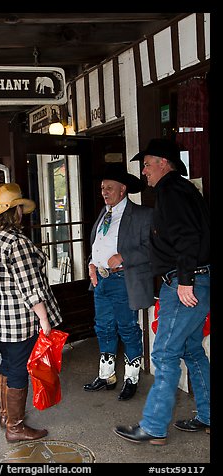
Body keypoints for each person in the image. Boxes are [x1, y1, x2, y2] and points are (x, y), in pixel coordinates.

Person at [114, 138, 210, 445]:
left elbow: (187, 237)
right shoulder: (182, 190)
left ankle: (154, 427)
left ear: (163, 163)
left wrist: (185, 280)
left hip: (186, 281)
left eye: (146, 164)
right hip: (195, 278)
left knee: (165, 353)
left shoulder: (171, 190)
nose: (144, 171)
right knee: (192, 350)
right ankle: (208, 416)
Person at [0, 182, 63, 442]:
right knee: (19, 370)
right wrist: (44, 320)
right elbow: (31, 288)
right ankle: (15, 427)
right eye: (20, 207)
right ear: (16, 212)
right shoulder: (16, 242)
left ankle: (6, 416)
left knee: (8, 363)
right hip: (19, 320)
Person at [84, 163, 154, 400]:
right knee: (102, 327)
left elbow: (152, 250)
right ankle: (106, 375)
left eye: (109, 188)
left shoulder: (143, 215)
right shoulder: (104, 213)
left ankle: (131, 379)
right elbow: (98, 245)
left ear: (123, 189)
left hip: (124, 279)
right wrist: (92, 263)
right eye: (103, 188)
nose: (104, 192)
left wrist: (124, 256)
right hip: (101, 280)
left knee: (127, 328)